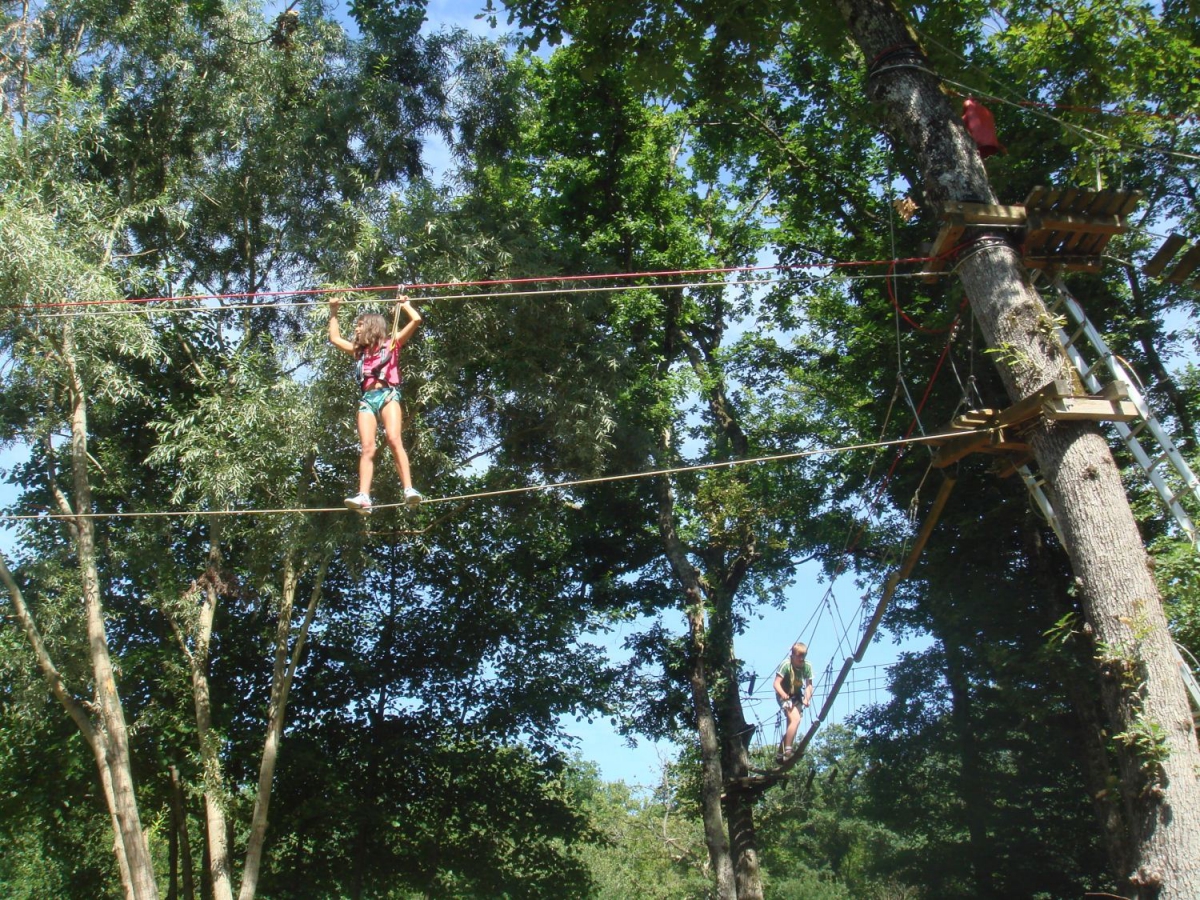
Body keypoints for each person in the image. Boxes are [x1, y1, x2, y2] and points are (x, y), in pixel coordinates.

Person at [328, 295, 423, 513]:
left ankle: (409, 489)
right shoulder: (359, 352)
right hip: (367, 400)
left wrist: (405, 305)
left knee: (393, 438)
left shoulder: (392, 344)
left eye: (360, 326)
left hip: (387, 394)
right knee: (368, 447)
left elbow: (416, 320)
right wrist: (334, 311)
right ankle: (364, 497)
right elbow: (334, 338)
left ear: (371, 326)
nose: (357, 330)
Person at [773, 641, 814, 763]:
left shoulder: (807, 666)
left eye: (804, 656)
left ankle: (780, 754)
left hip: (796, 695)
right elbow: (776, 684)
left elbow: (809, 686)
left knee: (793, 725)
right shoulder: (786, 664)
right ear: (792, 655)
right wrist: (783, 695)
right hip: (784, 695)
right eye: (799, 656)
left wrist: (807, 698)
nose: (801, 659)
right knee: (795, 719)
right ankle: (788, 751)